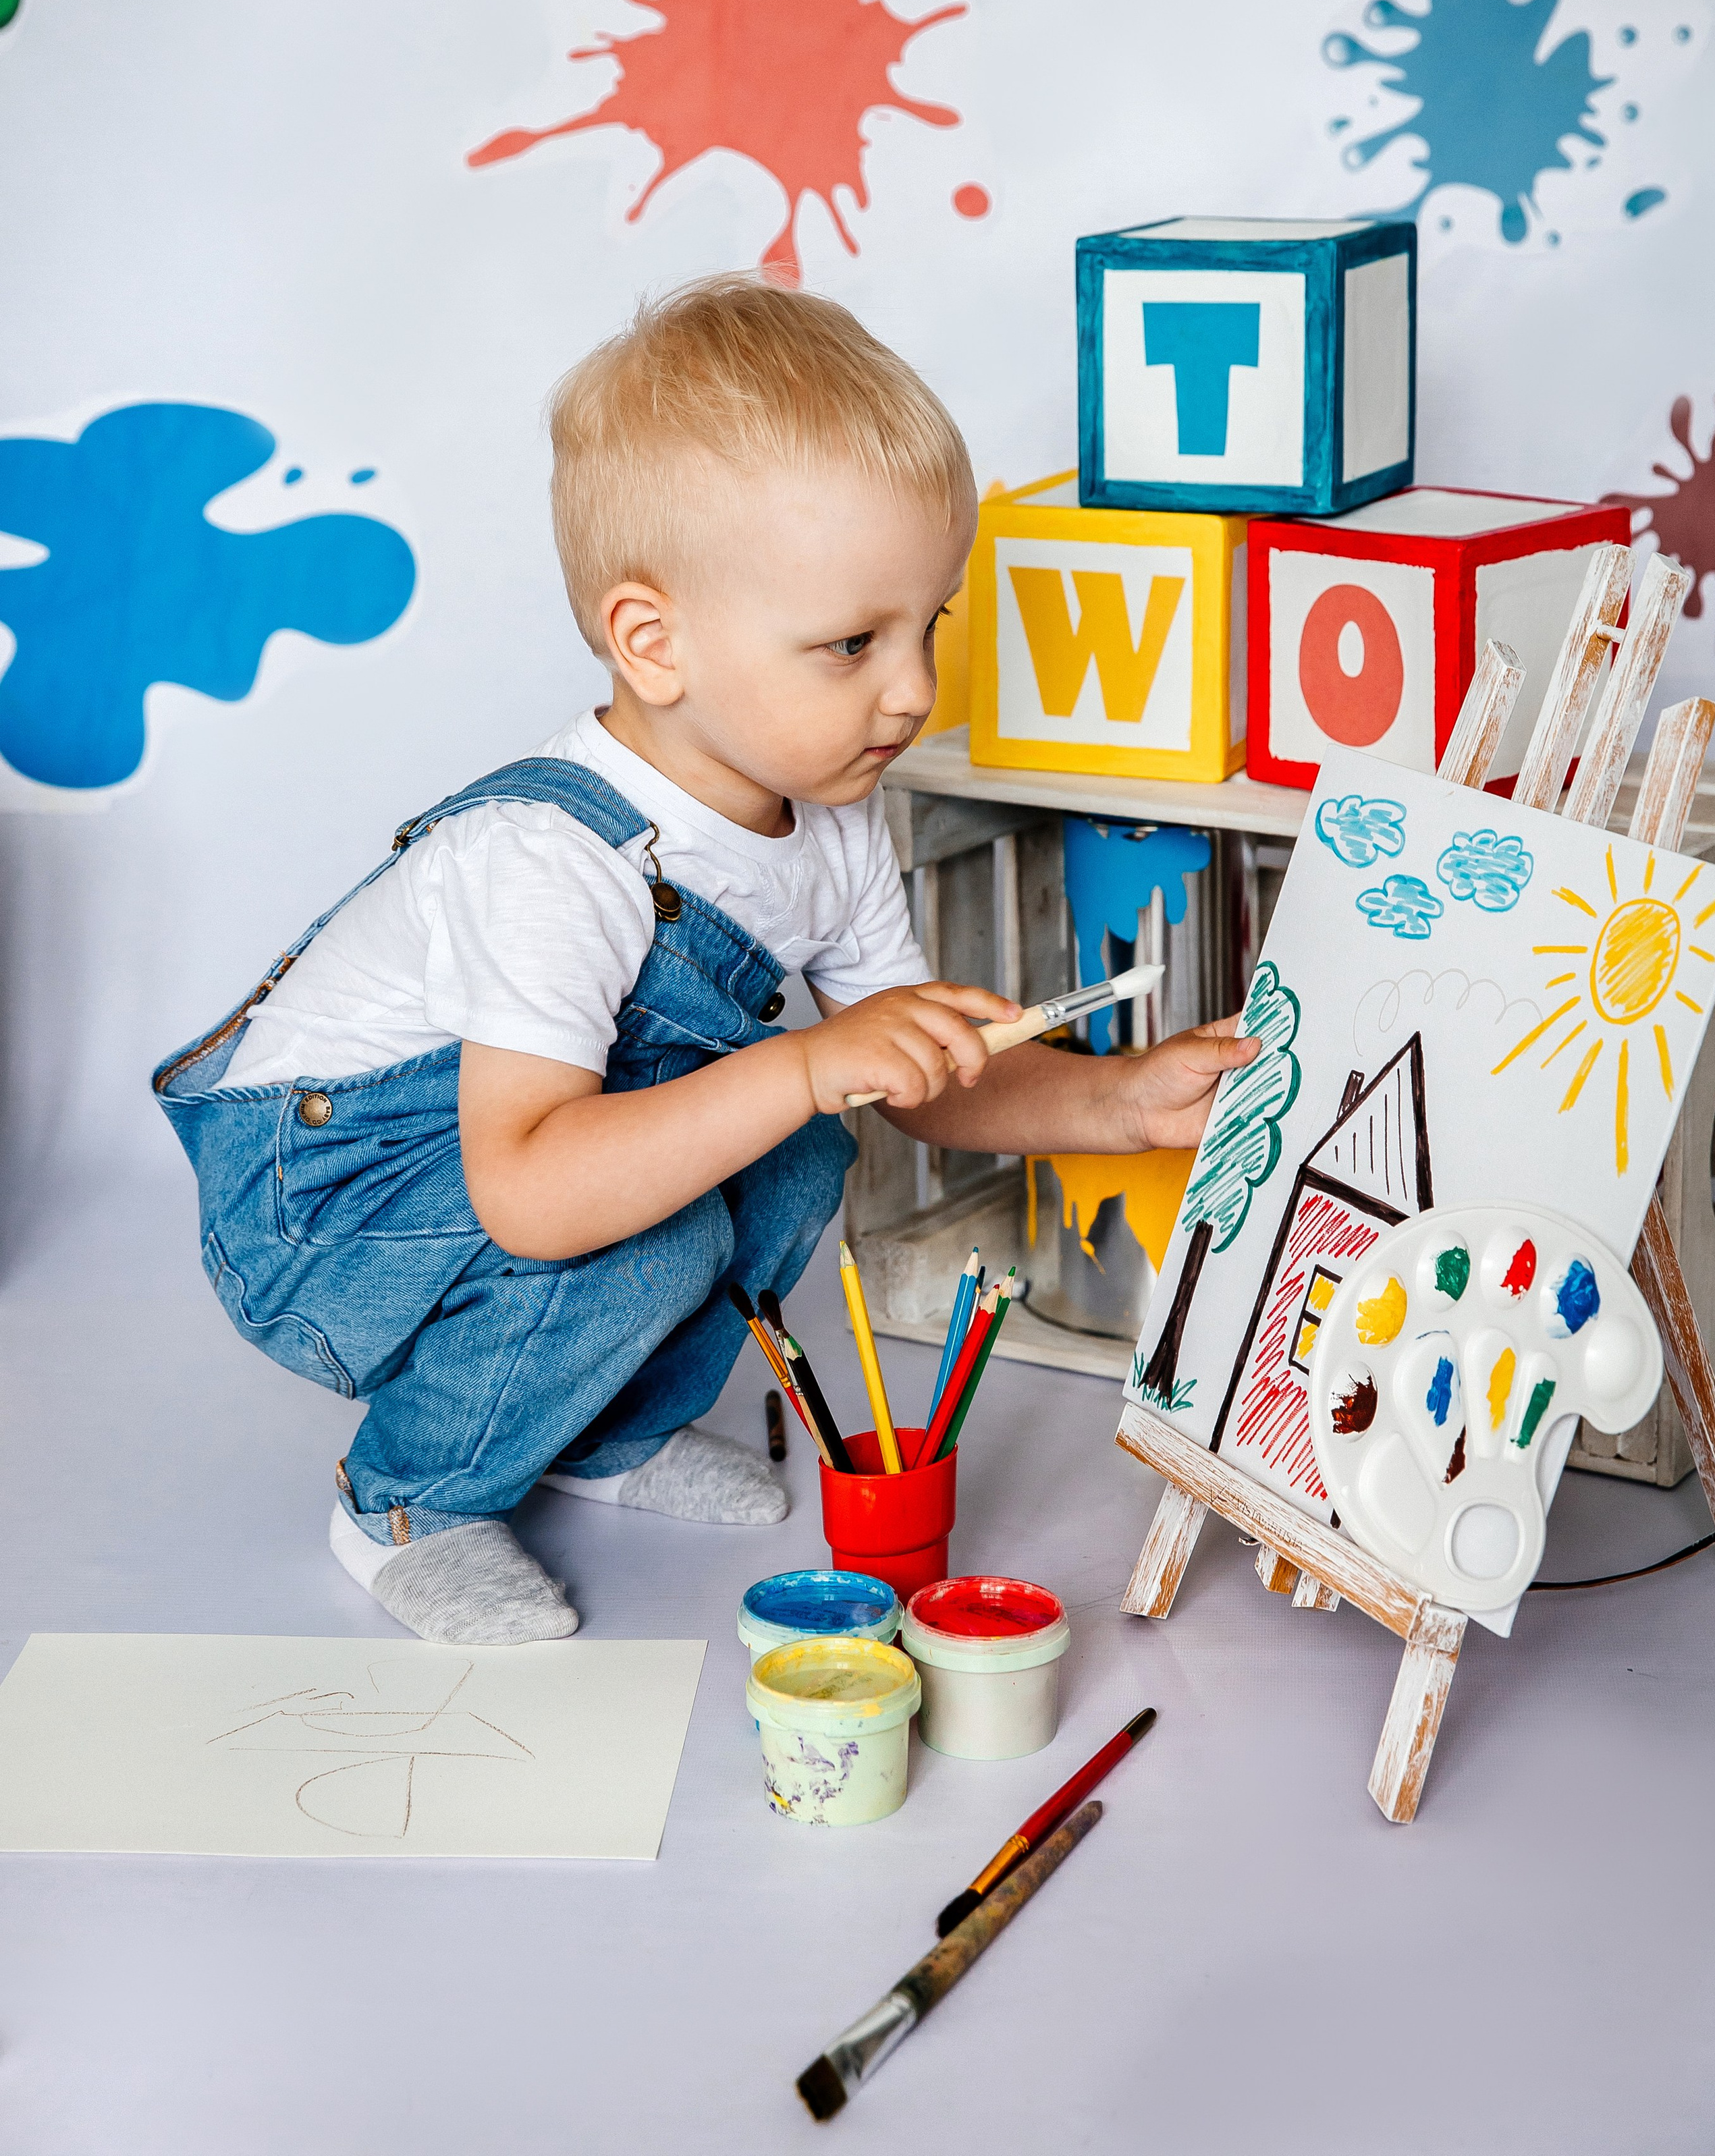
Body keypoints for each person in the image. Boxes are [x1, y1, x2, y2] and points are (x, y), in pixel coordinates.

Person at [153, 277, 1257, 1645]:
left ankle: (594, 1430)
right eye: (852, 644)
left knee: (800, 1155)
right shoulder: (553, 860)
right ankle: (406, 1503)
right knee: (675, 1213)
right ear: (653, 643)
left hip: (516, 1163)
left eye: (930, 625)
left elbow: (920, 1079)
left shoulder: (829, 818)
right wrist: (802, 1064)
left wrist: (1122, 1101)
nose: (913, 689)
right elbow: (531, 1195)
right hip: (327, 1202)